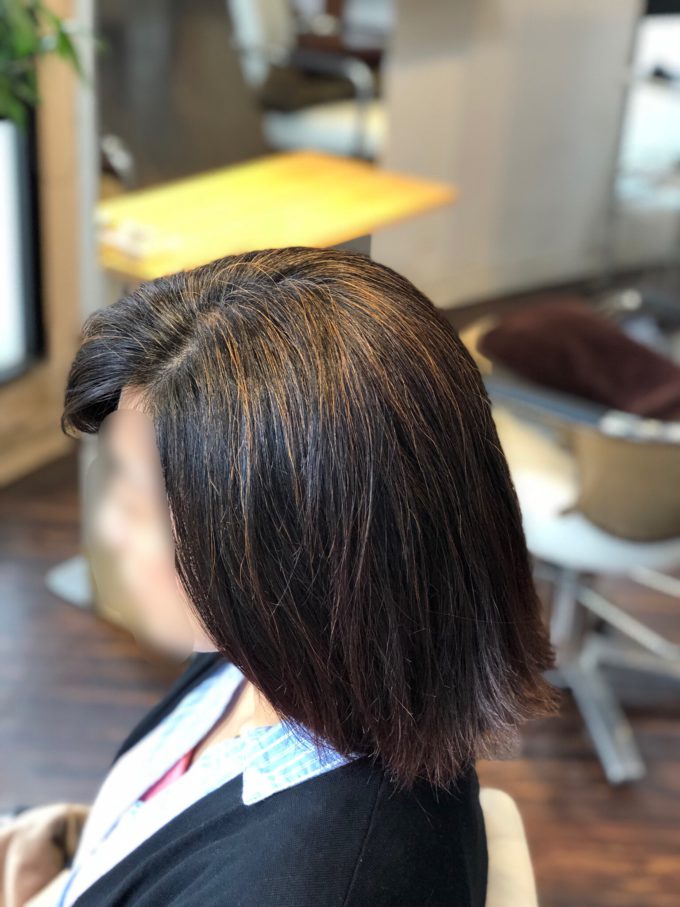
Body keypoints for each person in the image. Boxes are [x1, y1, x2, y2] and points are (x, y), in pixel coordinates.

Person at [3, 246, 557, 906]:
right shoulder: (268, 650)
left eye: (139, 504)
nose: (109, 530)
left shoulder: (317, 882)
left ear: (292, 544)